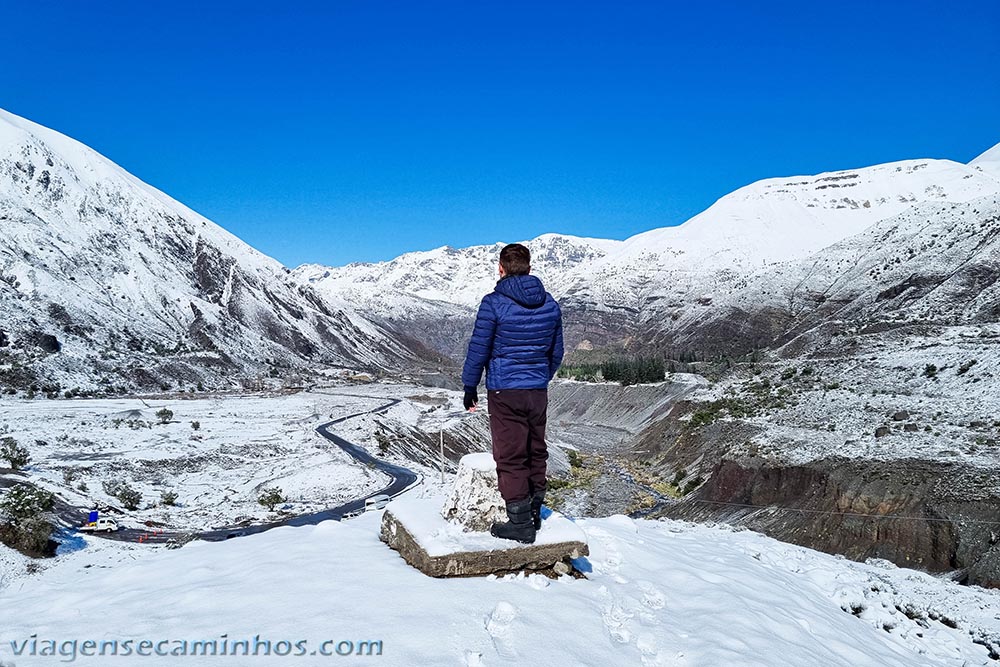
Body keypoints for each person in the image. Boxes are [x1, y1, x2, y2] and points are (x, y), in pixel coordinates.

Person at [461, 243, 564, 543]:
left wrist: (470, 386)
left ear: (501, 268)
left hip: (505, 390)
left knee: (510, 454)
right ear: (530, 269)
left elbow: (479, 348)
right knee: (536, 448)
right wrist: (541, 376)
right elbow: (556, 352)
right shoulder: (550, 304)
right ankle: (534, 511)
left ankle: (519, 524)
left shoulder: (493, 303)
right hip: (536, 389)